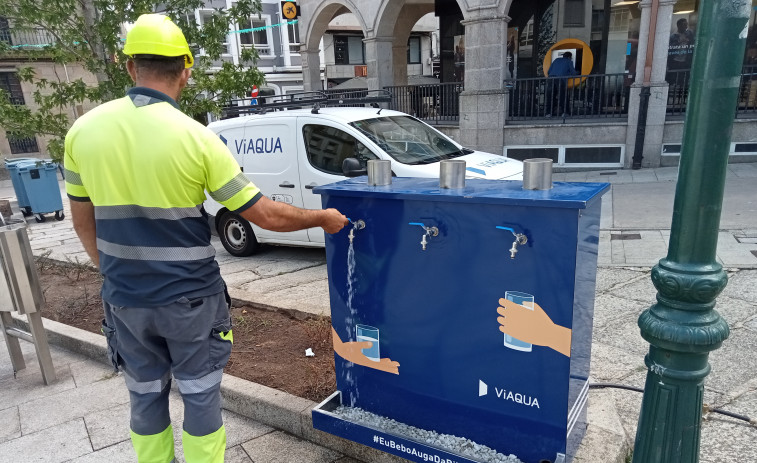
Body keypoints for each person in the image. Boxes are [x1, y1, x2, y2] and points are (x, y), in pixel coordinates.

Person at [64, 14, 347, 463]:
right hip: (189, 300)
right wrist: (325, 218)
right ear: (186, 70)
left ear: (130, 67)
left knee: (144, 396)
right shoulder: (197, 138)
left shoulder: (82, 132)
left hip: (124, 299)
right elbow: (266, 215)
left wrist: (115, 275)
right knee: (199, 396)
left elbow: (83, 224)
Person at [547, 51, 578, 116]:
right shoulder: (569, 61)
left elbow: (549, 71)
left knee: (550, 96)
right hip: (560, 79)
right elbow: (574, 73)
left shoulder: (556, 60)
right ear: (570, 57)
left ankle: (548, 113)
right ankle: (565, 112)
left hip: (551, 79)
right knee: (563, 96)